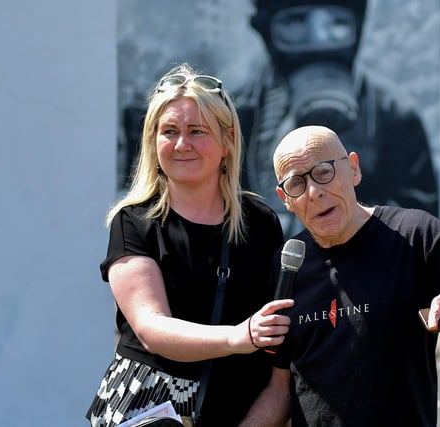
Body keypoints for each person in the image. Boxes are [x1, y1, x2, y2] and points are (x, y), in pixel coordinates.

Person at [240, 125, 440, 426]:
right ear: (284, 198)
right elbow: (281, 388)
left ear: (354, 169)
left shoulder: (415, 234)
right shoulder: (289, 264)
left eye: (323, 172)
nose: (314, 191)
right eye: (296, 184)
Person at [86, 63, 293, 427]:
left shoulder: (261, 222)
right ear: (153, 141)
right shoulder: (133, 221)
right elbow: (152, 329)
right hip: (149, 411)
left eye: (197, 131)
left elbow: (279, 358)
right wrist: (237, 337)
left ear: (228, 141)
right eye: (169, 131)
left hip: (241, 408)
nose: (182, 144)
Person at [236, 0, 438, 236]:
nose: (319, 37)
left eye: (336, 22)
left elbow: (417, 222)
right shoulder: (241, 115)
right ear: (266, 29)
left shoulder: (393, 117)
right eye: (296, 21)